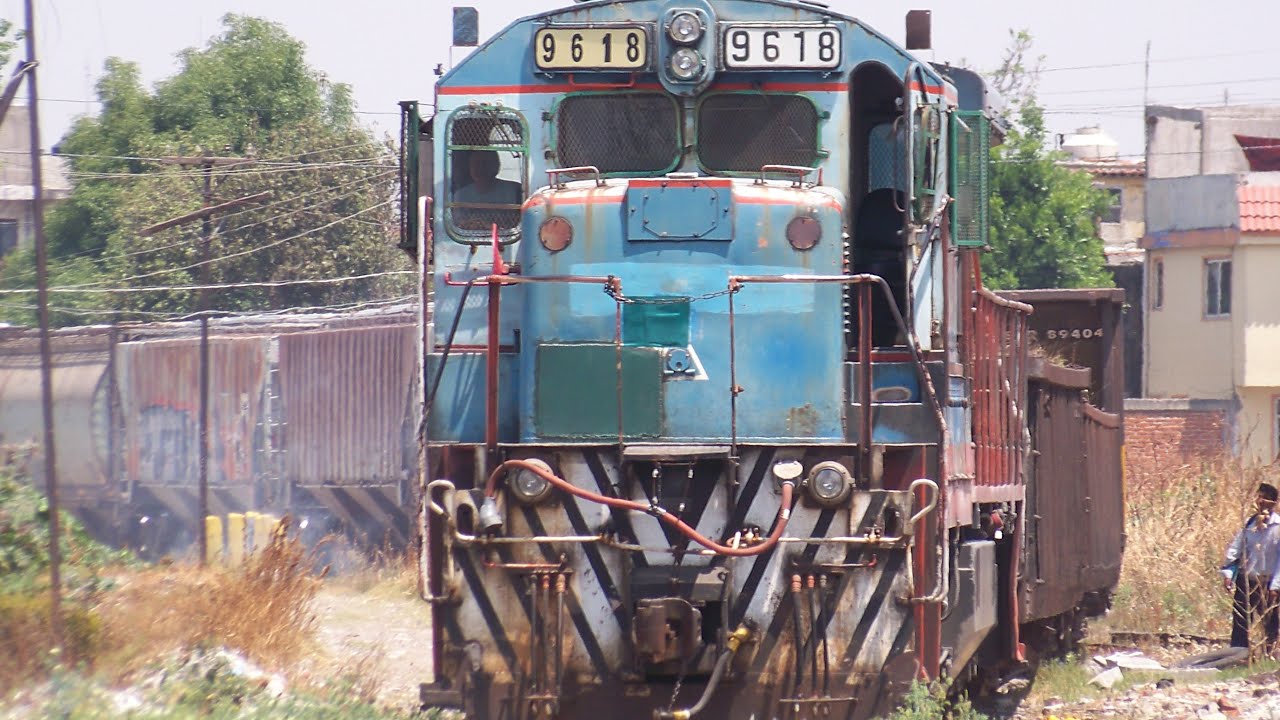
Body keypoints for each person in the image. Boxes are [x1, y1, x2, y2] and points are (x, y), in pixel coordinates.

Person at [1221, 481, 1280, 655]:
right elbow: (1236, 550)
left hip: (1269, 584)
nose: (1260, 501)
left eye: (1265, 498)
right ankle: (1238, 655)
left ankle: (1268, 655)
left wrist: (1276, 585)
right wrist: (1228, 574)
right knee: (1241, 621)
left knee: (1270, 623)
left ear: (1273, 502)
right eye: (1259, 497)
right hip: (1248, 581)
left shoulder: (1278, 528)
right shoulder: (1249, 525)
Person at [453, 149, 522, 222]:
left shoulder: (514, 190)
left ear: (496, 166)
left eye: (485, 164)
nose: (480, 168)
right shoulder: (461, 195)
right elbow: (459, 222)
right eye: (475, 164)